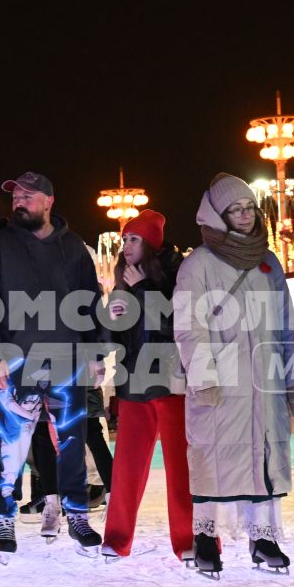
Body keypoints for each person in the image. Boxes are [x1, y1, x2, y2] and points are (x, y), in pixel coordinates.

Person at [173, 174, 294, 575]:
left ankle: (262, 538)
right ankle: (205, 540)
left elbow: (287, 323)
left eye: (249, 207)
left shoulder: (269, 262)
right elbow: (188, 326)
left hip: (265, 379)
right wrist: (206, 377)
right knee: (214, 460)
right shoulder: (198, 264)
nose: (245, 215)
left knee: (264, 457)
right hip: (220, 383)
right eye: (236, 209)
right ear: (217, 215)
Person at [0, 171, 106, 558]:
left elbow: (90, 302)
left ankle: (78, 514)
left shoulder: (74, 247)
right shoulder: (0, 246)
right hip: (16, 362)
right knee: (11, 445)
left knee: (72, 441)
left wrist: (96, 353)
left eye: (28, 196)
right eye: (15, 196)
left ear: (48, 201)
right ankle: (3, 517)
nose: (19, 202)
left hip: (67, 360)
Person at [98, 209, 192, 560]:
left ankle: (192, 542)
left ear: (152, 241)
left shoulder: (178, 272)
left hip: (171, 385)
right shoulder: (125, 280)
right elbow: (113, 340)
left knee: (181, 470)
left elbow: (179, 325)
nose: (126, 246)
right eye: (124, 240)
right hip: (134, 383)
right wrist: (112, 319)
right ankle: (116, 539)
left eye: (134, 239)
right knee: (125, 469)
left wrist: (144, 291)